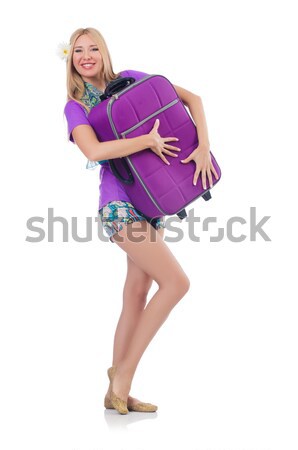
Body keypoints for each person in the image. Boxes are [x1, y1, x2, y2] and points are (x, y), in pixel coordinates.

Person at [63, 27, 218, 414]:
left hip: (150, 203)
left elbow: (191, 98)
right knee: (177, 282)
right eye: (78, 50)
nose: (86, 55)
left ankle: (118, 392)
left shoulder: (130, 79)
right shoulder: (76, 106)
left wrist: (203, 146)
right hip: (118, 205)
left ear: (104, 52)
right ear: (71, 60)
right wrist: (146, 141)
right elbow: (95, 150)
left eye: (93, 47)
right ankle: (123, 376)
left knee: (136, 292)